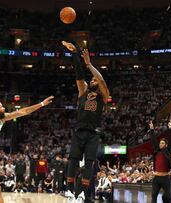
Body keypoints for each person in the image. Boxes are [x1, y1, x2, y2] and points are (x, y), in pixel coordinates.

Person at [62, 41, 110, 203]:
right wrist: (75, 53)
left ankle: (82, 193)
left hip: (93, 133)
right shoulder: (83, 91)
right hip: (79, 130)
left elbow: (101, 80)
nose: (93, 80)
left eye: (94, 80)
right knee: (74, 160)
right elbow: (79, 75)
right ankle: (69, 191)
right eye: (92, 80)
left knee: (89, 163)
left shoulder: (103, 95)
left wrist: (89, 64)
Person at [149, 120, 171, 203]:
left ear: (166, 145)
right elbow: (153, 140)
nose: (160, 144)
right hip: (156, 178)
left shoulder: (168, 151)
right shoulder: (157, 151)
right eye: (160, 143)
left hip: (165, 178)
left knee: (169, 196)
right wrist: (152, 129)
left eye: (162, 143)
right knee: (153, 196)